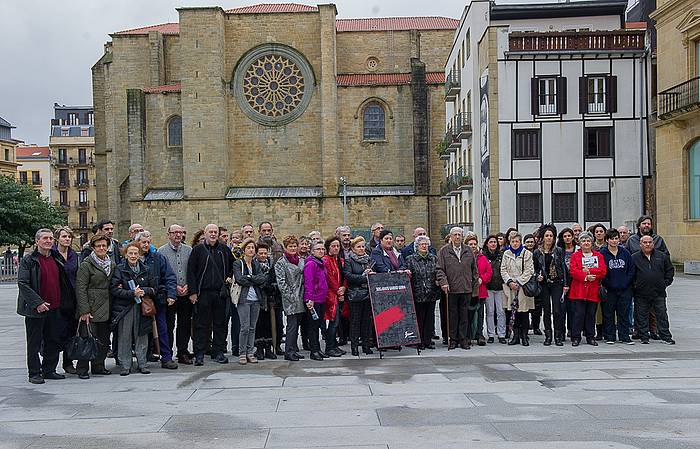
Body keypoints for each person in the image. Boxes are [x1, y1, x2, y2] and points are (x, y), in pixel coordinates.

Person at [17, 229, 72, 384]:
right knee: (34, 342)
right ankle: (34, 372)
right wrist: (38, 303)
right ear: (37, 241)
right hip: (36, 309)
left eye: (50, 238)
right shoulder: (29, 260)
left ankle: (49, 370)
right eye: (45, 238)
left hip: (55, 307)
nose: (48, 241)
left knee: (53, 340)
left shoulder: (56, 258)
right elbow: (23, 283)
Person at [186, 224, 234, 366]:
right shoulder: (198, 250)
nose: (213, 234)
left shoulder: (224, 249)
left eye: (215, 232)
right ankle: (199, 353)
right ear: (205, 234)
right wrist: (193, 292)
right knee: (201, 324)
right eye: (210, 232)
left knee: (220, 324)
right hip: (203, 293)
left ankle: (218, 351)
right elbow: (191, 272)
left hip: (220, 293)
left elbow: (233, 265)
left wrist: (229, 277)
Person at [111, 241, 156, 375]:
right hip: (125, 307)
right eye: (130, 253)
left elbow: (154, 288)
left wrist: (143, 290)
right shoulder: (119, 269)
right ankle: (125, 365)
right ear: (125, 255)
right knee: (124, 336)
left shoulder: (146, 269)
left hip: (142, 307)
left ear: (139, 255)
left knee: (141, 335)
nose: (133, 255)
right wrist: (131, 293)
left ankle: (142, 364)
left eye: (135, 253)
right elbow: (114, 289)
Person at [75, 233, 116, 379]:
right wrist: (84, 310)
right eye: (98, 246)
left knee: (103, 339)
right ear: (93, 247)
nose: (101, 248)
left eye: (104, 245)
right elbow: (80, 288)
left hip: (106, 306)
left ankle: (99, 366)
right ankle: (82, 368)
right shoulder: (86, 264)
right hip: (91, 307)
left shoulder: (111, 263)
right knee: (87, 338)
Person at [136, 231, 178, 369]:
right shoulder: (131, 257)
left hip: (157, 299)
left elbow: (170, 277)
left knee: (162, 328)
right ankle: (139, 359)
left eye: (148, 242)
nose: (146, 245)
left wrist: (171, 294)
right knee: (138, 330)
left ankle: (166, 357)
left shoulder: (158, 257)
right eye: (143, 242)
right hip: (136, 300)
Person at [436, 227, 480, 350]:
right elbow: (439, 269)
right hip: (451, 289)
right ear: (450, 236)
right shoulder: (444, 251)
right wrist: (443, 283)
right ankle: (453, 339)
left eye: (459, 235)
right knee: (453, 316)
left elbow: (474, 271)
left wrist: (474, 288)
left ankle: (463, 339)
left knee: (464, 316)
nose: (457, 237)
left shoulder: (468, 250)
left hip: (466, 288)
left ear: (462, 236)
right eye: (455, 235)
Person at [158, 224, 194, 364]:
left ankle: (182, 352)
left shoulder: (189, 250)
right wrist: (174, 288)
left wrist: (188, 286)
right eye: (175, 232)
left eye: (181, 232)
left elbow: (192, 271)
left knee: (184, 324)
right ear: (169, 234)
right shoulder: (161, 252)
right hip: (170, 295)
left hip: (185, 293)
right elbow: (161, 274)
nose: (178, 235)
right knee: (169, 324)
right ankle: (167, 354)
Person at [632, 235, 675, 344]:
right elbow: (631, 274)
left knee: (662, 315)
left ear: (653, 243)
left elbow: (669, 270)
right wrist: (635, 285)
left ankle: (665, 336)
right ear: (640, 244)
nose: (647, 244)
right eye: (645, 242)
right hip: (641, 292)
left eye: (650, 242)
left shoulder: (662, 256)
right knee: (641, 315)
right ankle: (644, 337)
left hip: (658, 292)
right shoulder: (634, 257)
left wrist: (665, 282)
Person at [568, 231, 607, 347]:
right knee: (578, 314)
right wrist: (585, 277)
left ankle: (590, 336)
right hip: (578, 290)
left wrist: (589, 272)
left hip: (593, 290)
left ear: (592, 242)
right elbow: (573, 271)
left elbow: (602, 270)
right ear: (580, 243)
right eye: (583, 241)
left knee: (591, 314)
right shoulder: (575, 256)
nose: (586, 243)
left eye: (588, 241)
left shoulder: (598, 256)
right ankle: (576, 337)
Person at [532, 224, 569, 346]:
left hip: (557, 283)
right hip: (544, 284)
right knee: (546, 310)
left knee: (557, 310)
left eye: (551, 236)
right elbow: (535, 269)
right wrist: (538, 276)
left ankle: (558, 336)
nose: (549, 238)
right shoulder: (537, 252)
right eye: (547, 236)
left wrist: (565, 283)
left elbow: (563, 268)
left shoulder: (558, 250)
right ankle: (548, 335)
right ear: (543, 237)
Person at [232, 238, 267, 364]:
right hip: (243, 299)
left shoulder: (256, 264)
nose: (251, 250)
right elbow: (240, 279)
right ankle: (242, 353)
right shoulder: (238, 263)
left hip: (256, 299)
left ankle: (250, 352)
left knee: (252, 327)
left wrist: (250, 277)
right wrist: (253, 279)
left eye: (253, 248)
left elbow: (262, 278)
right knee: (245, 327)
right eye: (249, 247)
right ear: (244, 250)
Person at [600, 228, 635, 344]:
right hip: (609, 289)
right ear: (607, 240)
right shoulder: (602, 254)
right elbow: (601, 271)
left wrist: (626, 282)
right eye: (612, 239)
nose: (614, 241)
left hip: (624, 289)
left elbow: (631, 270)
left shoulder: (625, 253)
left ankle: (624, 336)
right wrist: (608, 283)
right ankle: (610, 336)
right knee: (609, 313)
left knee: (623, 313)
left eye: (616, 238)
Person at [405, 235, 440, 349]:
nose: (424, 246)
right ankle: (419, 341)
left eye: (426, 244)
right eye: (422, 244)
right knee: (419, 318)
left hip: (431, 292)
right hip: (417, 292)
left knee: (430, 318)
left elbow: (437, 272)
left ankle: (427, 340)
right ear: (417, 246)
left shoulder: (434, 258)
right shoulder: (410, 259)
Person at [275, 236, 306, 361]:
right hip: (291, 299)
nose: (293, 248)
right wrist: (291, 297)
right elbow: (281, 283)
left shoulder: (301, 260)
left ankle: (294, 348)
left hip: (302, 295)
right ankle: (289, 351)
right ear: (285, 248)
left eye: (294, 246)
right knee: (291, 326)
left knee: (297, 324)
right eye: (290, 246)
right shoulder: (281, 263)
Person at [501, 233, 535, 347]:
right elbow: (503, 270)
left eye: (517, 241)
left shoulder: (527, 254)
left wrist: (519, 282)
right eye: (513, 241)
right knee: (513, 312)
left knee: (524, 312)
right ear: (509, 242)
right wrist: (510, 282)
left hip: (523, 287)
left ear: (520, 242)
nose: (515, 243)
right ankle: (515, 336)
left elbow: (529, 270)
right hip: (511, 287)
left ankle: (524, 336)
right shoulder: (506, 254)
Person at [54, 227, 79, 375]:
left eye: (69, 237)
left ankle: (68, 363)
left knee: (71, 331)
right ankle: (50, 364)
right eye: (64, 236)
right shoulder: (52, 255)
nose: (67, 239)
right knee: (56, 333)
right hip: (57, 297)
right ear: (57, 238)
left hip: (72, 298)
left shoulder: (73, 255)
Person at [344, 236, 374, 356]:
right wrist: (363, 277)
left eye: (363, 246)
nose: (361, 249)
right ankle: (354, 346)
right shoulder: (349, 260)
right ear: (353, 248)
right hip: (355, 295)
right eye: (358, 247)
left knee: (367, 321)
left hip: (368, 294)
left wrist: (371, 274)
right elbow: (348, 276)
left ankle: (366, 345)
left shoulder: (368, 260)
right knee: (355, 321)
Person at [303, 241, 329, 361]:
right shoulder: (311, 264)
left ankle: (318, 349)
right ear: (312, 251)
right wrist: (309, 299)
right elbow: (308, 282)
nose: (321, 251)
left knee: (318, 325)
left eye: (323, 249)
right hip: (314, 300)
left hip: (322, 299)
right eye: (318, 249)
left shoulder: (321, 263)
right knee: (313, 326)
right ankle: (314, 351)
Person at [465, 234, 492, 346]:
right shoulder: (464, 257)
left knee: (480, 314)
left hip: (480, 291)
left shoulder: (482, 258)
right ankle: (468, 335)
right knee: (468, 314)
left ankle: (479, 334)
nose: (473, 246)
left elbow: (489, 272)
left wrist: (482, 279)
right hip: (468, 291)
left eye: (475, 244)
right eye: (470, 244)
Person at [323, 236, 348, 357]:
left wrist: (343, 287)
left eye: (338, 246)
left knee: (337, 322)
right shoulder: (326, 260)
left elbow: (344, 276)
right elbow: (329, 278)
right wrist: (338, 290)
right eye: (333, 246)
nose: (336, 248)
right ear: (328, 247)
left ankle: (334, 345)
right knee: (333, 321)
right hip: (331, 295)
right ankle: (329, 347)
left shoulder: (341, 260)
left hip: (339, 293)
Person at [482, 235, 506, 344]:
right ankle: (490, 334)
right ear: (487, 243)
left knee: (501, 311)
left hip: (500, 287)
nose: (493, 244)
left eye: (495, 242)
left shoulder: (502, 255)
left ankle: (501, 334)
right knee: (490, 311)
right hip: (488, 287)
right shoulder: (483, 256)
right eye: (491, 242)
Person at [557, 227, 578, 341]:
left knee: (573, 308)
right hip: (563, 282)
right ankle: (561, 332)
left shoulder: (578, 249)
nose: (567, 238)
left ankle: (572, 330)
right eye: (565, 236)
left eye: (569, 236)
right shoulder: (559, 250)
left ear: (573, 237)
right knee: (562, 308)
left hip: (575, 281)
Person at [523, 234, 542, 336]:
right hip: (525, 281)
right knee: (525, 306)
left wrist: (538, 275)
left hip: (536, 282)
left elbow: (540, 266)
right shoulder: (522, 253)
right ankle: (525, 326)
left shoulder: (537, 253)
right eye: (527, 242)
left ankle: (536, 326)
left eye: (531, 242)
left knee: (537, 307)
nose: (530, 244)